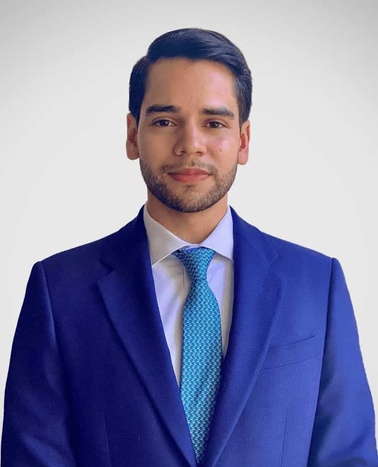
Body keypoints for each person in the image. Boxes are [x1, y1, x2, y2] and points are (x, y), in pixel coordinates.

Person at [1, 27, 377, 467]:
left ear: (244, 140)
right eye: (164, 121)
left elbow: (348, 457)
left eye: (214, 123)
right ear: (131, 134)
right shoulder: (60, 290)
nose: (190, 144)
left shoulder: (317, 284)